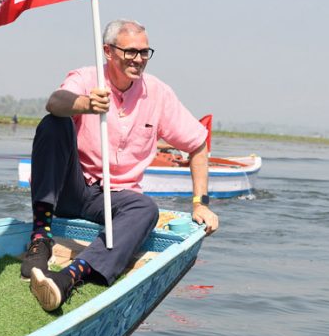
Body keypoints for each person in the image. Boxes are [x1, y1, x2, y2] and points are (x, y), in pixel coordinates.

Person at [21, 19, 219, 311]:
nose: (138, 60)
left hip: (112, 199)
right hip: (72, 188)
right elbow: (55, 101)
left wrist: (200, 202)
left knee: (146, 209)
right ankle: (40, 239)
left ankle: (69, 277)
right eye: (130, 52)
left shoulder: (158, 93)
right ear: (108, 51)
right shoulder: (87, 77)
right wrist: (85, 104)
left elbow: (198, 145)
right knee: (54, 124)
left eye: (144, 52)